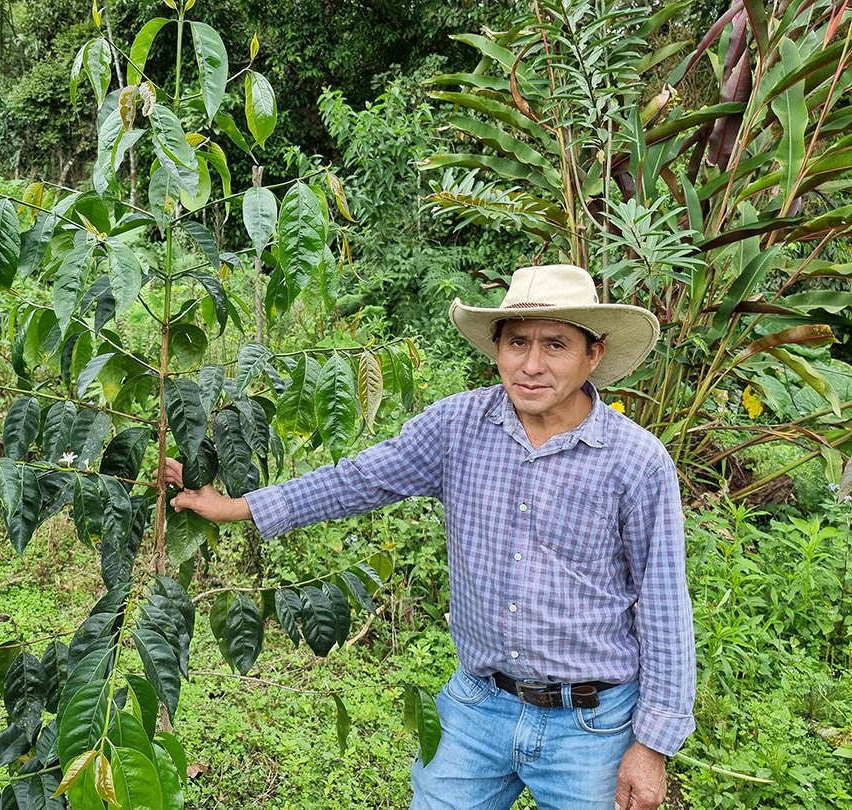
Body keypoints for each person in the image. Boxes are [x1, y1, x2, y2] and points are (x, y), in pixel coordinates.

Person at [164, 264, 696, 810]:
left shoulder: (635, 461)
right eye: (517, 343)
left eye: (556, 345)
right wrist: (239, 507)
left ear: (594, 354)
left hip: (593, 723)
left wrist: (652, 746)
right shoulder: (458, 426)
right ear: (497, 349)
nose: (531, 365)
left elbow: (663, 605)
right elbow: (362, 479)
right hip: (479, 704)